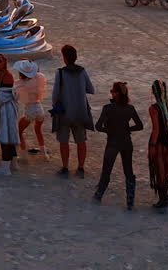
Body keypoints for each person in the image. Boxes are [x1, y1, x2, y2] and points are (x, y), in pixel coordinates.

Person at [93, 81, 143, 210]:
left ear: (116, 94)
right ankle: (130, 202)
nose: (111, 93)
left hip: (112, 143)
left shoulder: (108, 108)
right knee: (128, 172)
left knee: (107, 171)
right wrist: (126, 129)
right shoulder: (130, 108)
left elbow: (98, 126)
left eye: (112, 91)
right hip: (126, 142)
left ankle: (98, 195)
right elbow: (140, 126)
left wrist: (109, 130)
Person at [51, 44, 95, 176]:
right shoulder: (82, 71)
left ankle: (65, 168)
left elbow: (55, 95)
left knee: (64, 142)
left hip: (65, 113)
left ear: (64, 58)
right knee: (81, 141)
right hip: (80, 112)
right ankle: (80, 168)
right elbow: (91, 89)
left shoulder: (60, 73)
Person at [148, 79, 168, 209]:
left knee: (159, 171)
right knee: (167, 169)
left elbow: (156, 130)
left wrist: (152, 146)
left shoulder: (153, 109)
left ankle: (162, 200)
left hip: (159, 144)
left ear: (153, 92)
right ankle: (165, 196)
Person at [0, 54, 20, 175]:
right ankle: (13, 163)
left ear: (4, 62)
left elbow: (4, 96)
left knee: (5, 136)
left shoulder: (7, 76)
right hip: (2, 110)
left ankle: (5, 166)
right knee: (8, 135)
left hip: (6, 110)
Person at [14, 59, 49, 156]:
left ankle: (24, 154)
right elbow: (38, 72)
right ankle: (44, 152)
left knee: (19, 131)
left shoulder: (21, 83)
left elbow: (15, 94)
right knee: (38, 130)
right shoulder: (39, 78)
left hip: (30, 109)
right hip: (39, 108)